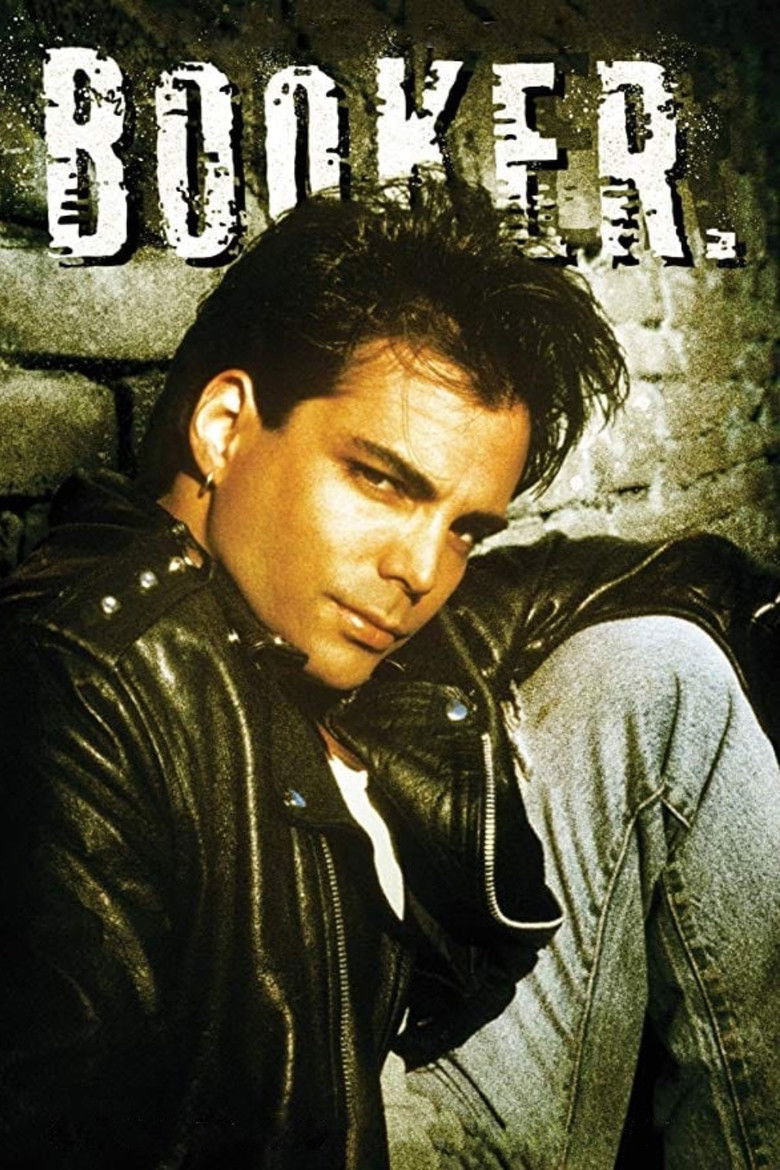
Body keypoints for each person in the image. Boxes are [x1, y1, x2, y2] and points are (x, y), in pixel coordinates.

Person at [0, 179, 776, 1170]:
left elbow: (561, 584)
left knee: (660, 672)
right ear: (225, 427)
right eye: (380, 480)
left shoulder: (303, 604)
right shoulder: (84, 685)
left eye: (465, 528)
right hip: (339, 1132)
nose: (420, 573)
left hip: (403, 1052)